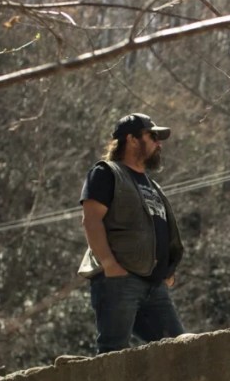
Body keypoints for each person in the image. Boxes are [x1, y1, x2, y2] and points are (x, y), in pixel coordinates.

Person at [77, 112, 185, 353]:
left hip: (154, 285)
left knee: (181, 348)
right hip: (119, 280)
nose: (159, 144)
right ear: (132, 139)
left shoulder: (152, 185)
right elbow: (91, 221)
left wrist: (167, 271)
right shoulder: (106, 172)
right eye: (153, 136)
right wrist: (109, 264)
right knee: (113, 351)